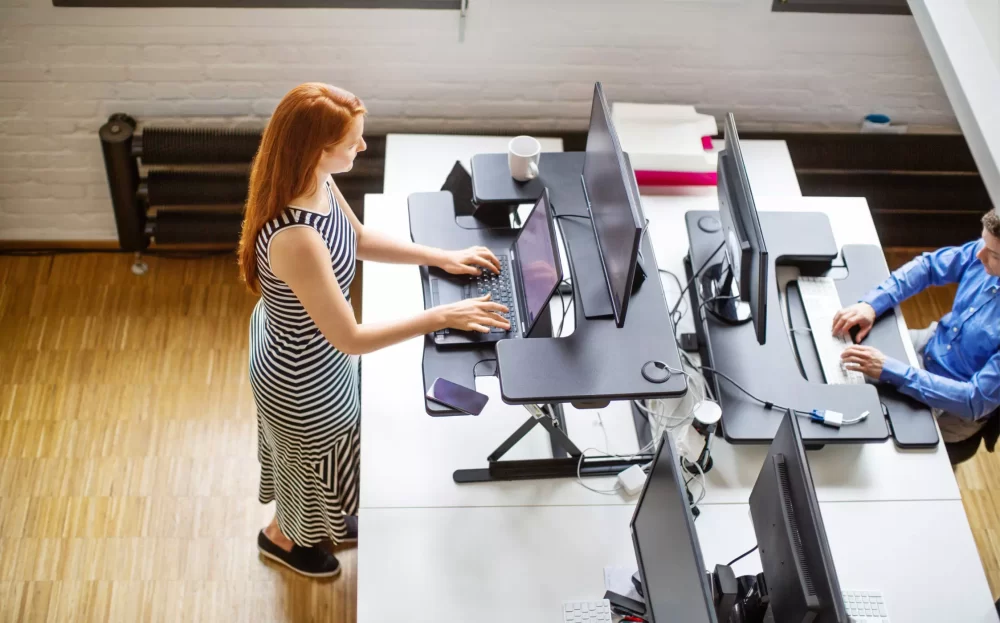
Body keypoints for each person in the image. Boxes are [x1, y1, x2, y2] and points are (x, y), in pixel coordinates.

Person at [238, 83, 511, 578]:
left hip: (313, 351)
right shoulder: (296, 238)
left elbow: (358, 239)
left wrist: (441, 255)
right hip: (301, 377)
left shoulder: (315, 179)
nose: (362, 148)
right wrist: (443, 316)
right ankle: (283, 540)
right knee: (310, 467)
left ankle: (324, 520)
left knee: (332, 456)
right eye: (352, 143)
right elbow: (353, 338)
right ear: (318, 149)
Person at [833, 209, 1000, 444]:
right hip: (930, 344)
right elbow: (929, 267)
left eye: (993, 254)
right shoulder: (985, 249)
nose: (979, 254)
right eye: (982, 242)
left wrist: (890, 369)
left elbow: (972, 400)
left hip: (952, 400)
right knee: (840, 361)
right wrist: (872, 304)